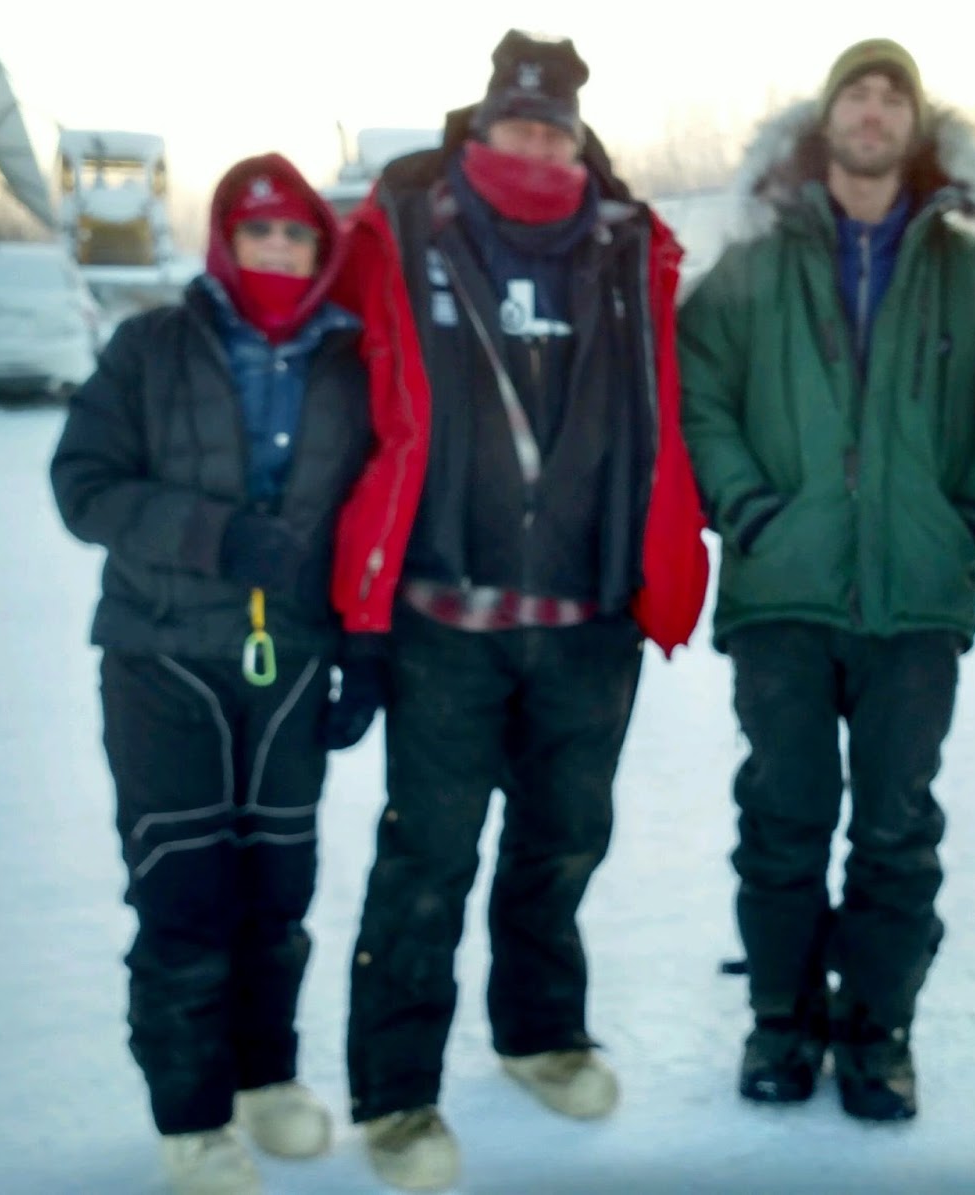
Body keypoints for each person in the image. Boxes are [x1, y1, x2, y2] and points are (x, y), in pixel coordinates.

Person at [331, 28, 709, 1192]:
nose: (535, 147)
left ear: (577, 141)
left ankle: (540, 1034)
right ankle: (397, 1093)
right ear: (480, 127)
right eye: (517, 126)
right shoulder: (408, 227)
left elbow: (668, 402)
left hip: (587, 614)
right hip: (445, 614)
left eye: (554, 131)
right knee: (428, 855)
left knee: (560, 844)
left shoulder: (626, 243)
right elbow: (339, 376)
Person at [677, 37, 975, 1122]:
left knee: (896, 827)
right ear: (824, 121)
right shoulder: (752, 262)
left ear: (917, 127)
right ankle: (781, 1021)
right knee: (782, 817)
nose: (873, 112)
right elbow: (696, 387)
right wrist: (745, 505)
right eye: (855, 95)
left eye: (892, 97)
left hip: (914, 598)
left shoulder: (974, 273)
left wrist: (967, 517)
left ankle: (878, 1032)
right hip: (781, 590)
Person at [50, 152, 385, 1195]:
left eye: (296, 235)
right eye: (258, 232)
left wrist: (364, 643)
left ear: (321, 251)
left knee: (278, 888)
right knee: (184, 889)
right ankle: (192, 1119)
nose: (277, 250)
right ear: (224, 241)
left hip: (291, 660)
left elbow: (375, 509)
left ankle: (265, 1076)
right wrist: (216, 535)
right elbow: (82, 485)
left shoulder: (352, 361)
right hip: (161, 656)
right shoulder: (151, 345)